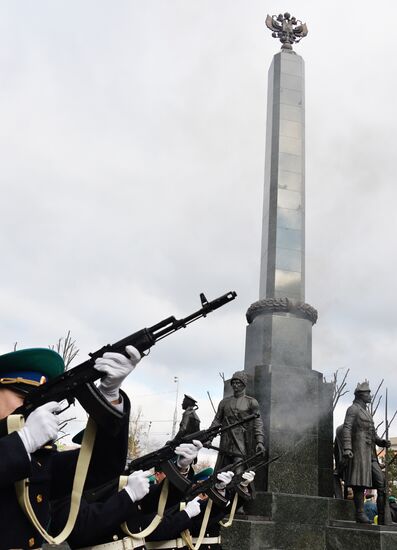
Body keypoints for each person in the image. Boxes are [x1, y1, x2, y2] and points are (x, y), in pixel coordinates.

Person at [0, 345, 140, 550]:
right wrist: (22, 442)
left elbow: (101, 465)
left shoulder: (37, 459)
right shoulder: (22, 447)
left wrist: (109, 398)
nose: (34, 413)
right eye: (25, 400)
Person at [342, 380, 390, 524]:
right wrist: (347, 448)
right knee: (359, 484)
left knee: (381, 483)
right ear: (360, 395)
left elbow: (373, 434)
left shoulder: (367, 413)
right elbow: (347, 428)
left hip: (370, 455)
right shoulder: (353, 409)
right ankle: (359, 514)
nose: (370, 395)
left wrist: (381, 442)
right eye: (367, 393)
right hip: (358, 453)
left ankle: (382, 516)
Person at [209, 371, 265, 470]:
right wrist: (209, 438)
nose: (235, 385)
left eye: (238, 382)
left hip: (241, 443)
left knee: (239, 472)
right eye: (233, 382)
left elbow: (258, 422)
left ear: (244, 384)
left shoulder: (251, 402)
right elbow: (216, 421)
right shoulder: (224, 403)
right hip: (225, 442)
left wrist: (259, 441)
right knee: (221, 474)